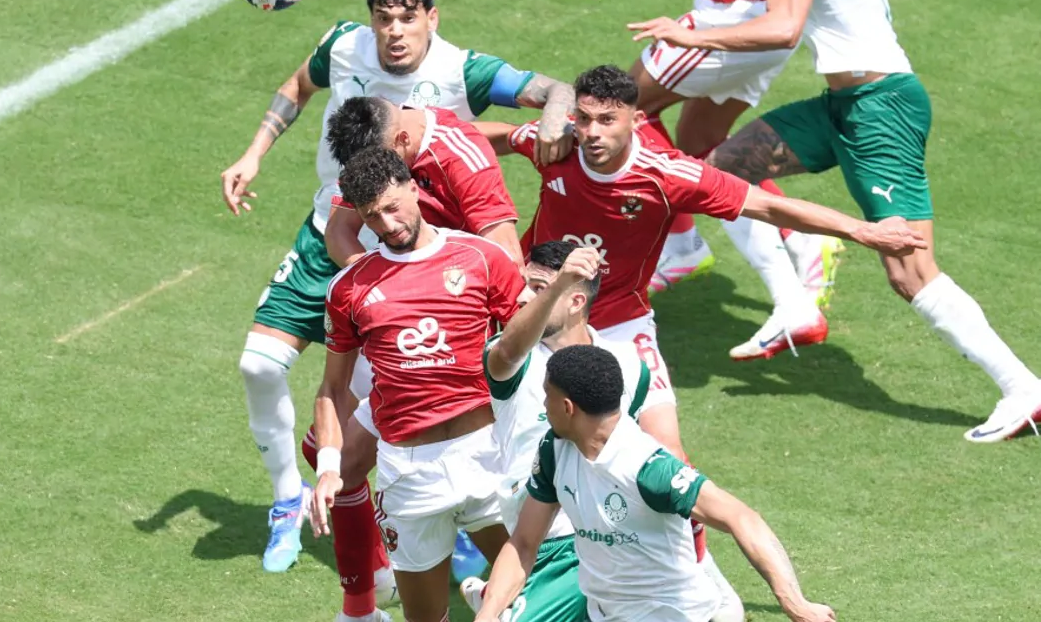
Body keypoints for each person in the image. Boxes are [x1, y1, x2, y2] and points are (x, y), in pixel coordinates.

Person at [627, 0, 1041, 442]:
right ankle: (795, 290)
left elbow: (782, 28)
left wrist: (692, 36)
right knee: (727, 166)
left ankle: (1021, 387)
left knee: (909, 271)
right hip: (846, 104)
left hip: (879, 113)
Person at [218, 0, 573, 578]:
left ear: (431, 18)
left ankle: (498, 550)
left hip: (430, 263)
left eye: (408, 18)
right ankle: (315, 529)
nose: (395, 31)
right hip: (353, 241)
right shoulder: (344, 53)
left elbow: (504, 253)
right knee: (285, 393)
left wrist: (539, 128)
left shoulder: (461, 86)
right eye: (384, 19)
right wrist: (255, 155)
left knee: (393, 431)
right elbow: (301, 94)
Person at [479, 65, 926, 393]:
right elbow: (492, 137)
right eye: (584, 119)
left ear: (636, 122)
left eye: (607, 120)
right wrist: (442, 134)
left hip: (619, 320)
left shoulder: (669, 175)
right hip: (533, 306)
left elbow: (767, 205)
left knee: (660, 443)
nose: (592, 132)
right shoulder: (558, 143)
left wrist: (861, 231)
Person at [572, 0, 857, 323]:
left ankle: (683, 246)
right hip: (735, 13)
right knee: (702, 146)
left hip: (750, 11)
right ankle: (799, 237)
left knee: (619, 110)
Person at [461, 242, 744, 622]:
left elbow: (644, 451)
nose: (522, 297)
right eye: (526, 286)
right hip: (535, 530)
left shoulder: (627, 364)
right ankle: (505, 601)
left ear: (576, 300)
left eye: (539, 288)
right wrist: (559, 284)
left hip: (598, 528)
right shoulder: (512, 356)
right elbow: (509, 350)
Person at [313, 147, 525, 622]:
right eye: (372, 217)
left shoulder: (481, 258)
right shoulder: (350, 288)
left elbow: (532, 345)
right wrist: (329, 466)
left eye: (393, 207)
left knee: (545, 593)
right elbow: (332, 389)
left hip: (489, 456)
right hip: (409, 476)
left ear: (414, 188)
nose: (387, 225)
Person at [474, 345, 836, 622]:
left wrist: (794, 602)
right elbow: (524, 543)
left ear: (568, 407)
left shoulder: (646, 466)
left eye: (547, 395)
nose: (544, 405)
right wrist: (488, 615)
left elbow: (741, 517)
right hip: (604, 614)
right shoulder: (555, 451)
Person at [324, 96, 520, 267]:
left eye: (384, 162)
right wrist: (378, 284)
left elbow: (506, 253)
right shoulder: (370, 148)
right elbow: (339, 231)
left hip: (465, 277)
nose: (377, 173)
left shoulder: (460, 155)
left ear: (403, 139)